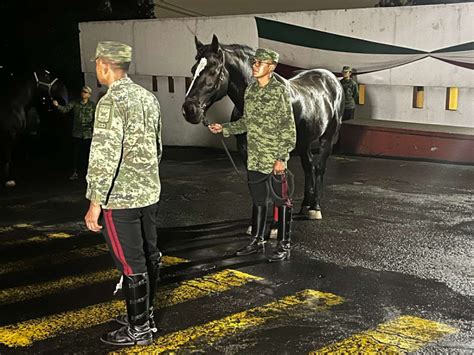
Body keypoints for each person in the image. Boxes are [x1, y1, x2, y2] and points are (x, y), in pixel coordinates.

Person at [84, 41, 162, 346]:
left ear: (105, 64)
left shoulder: (111, 101)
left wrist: (95, 202)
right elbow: (157, 149)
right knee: (148, 254)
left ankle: (139, 329)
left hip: (120, 198)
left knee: (131, 264)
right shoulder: (148, 98)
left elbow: (104, 156)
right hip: (148, 193)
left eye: (97, 64)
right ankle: (145, 314)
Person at [209, 48, 296, 262]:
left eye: (260, 62)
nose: (254, 65)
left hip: (274, 158)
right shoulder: (251, 91)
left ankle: (284, 245)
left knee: (281, 201)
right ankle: (257, 241)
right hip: (255, 157)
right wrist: (225, 128)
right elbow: (246, 122)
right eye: (254, 62)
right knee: (258, 200)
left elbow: (288, 127)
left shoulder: (279, 91)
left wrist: (281, 158)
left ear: (272, 67)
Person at [53, 86, 96, 180]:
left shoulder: (92, 105)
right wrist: (57, 106)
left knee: (87, 154)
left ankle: (87, 173)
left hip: (88, 133)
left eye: (85, 92)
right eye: (82, 91)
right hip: (77, 132)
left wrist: (93, 127)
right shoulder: (75, 103)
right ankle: (75, 172)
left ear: (89, 95)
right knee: (76, 154)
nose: (83, 93)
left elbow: (95, 117)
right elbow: (66, 109)